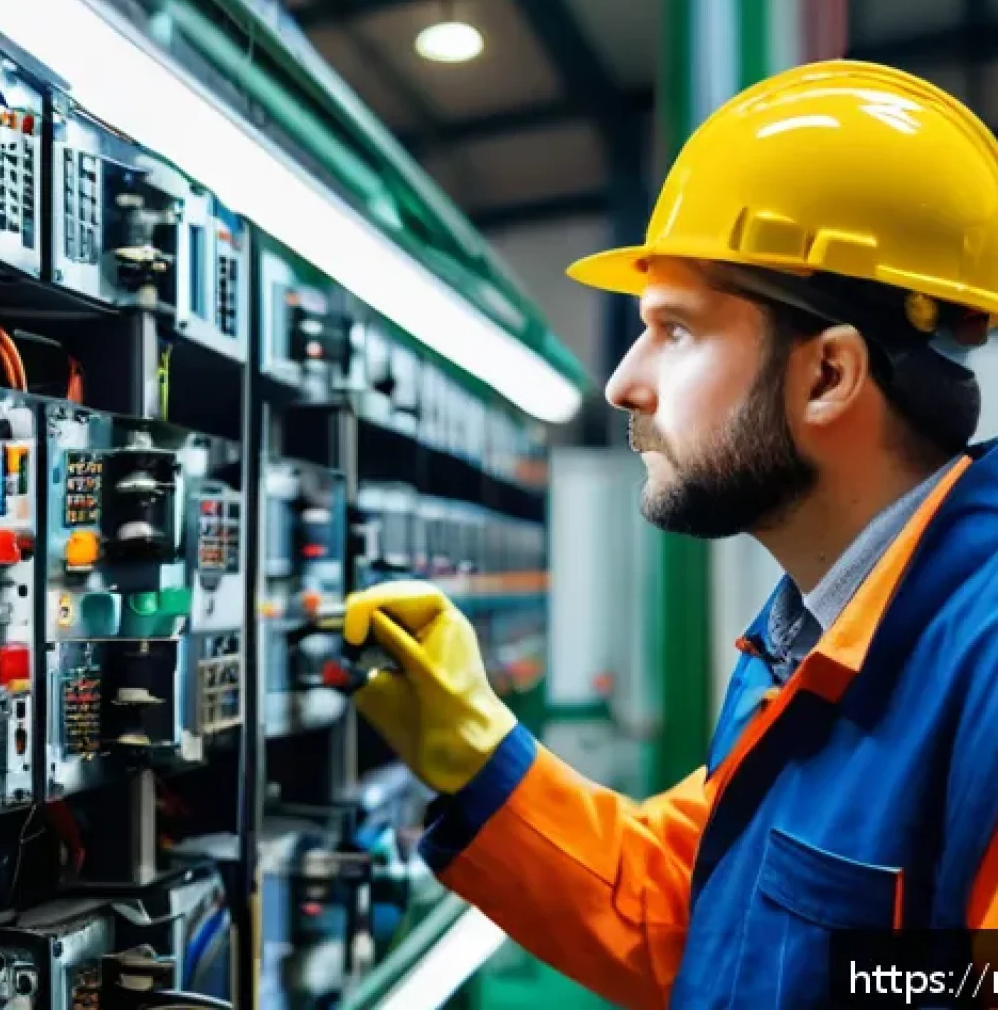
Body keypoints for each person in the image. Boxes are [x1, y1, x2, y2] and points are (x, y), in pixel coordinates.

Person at [342, 59, 998, 1009]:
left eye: (676, 331)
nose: (622, 383)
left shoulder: (977, 668)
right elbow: (693, 913)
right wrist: (478, 756)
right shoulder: (814, 634)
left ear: (829, 377)